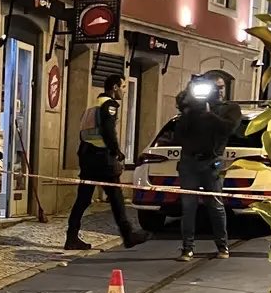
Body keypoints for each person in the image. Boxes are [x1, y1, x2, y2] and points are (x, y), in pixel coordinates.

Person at [66, 73, 152, 250]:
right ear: (114, 87)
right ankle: (128, 236)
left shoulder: (93, 105)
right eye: (123, 87)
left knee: (82, 199)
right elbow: (108, 131)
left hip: (87, 156)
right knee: (116, 198)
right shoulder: (110, 104)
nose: (124, 91)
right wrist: (117, 152)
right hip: (102, 159)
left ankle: (71, 237)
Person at [173, 80, 242, 261]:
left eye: (221, 87)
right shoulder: (192, 110)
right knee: (188, 207)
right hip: (189, 162)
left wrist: (209, 114)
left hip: (212, 162)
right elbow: (178, 135)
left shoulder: (230, 109)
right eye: (215, 87)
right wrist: (188, 110)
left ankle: (222, 246)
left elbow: (229, 129)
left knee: (215, 206)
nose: (218, 91)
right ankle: (187, 248)